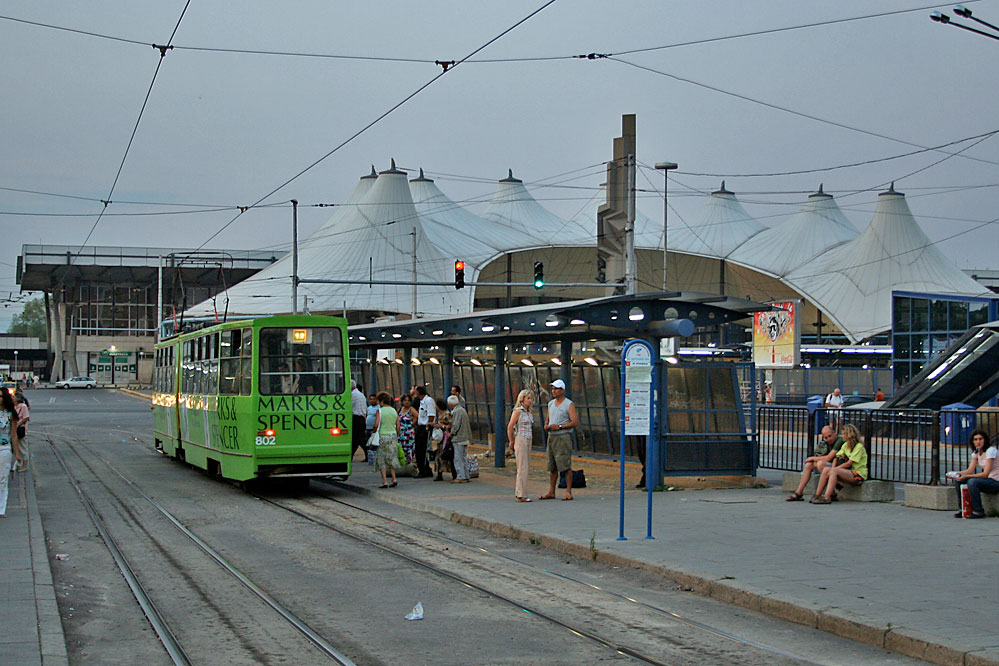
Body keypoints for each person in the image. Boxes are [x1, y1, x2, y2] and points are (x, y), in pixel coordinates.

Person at [539, 379, 579, 501]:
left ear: (562, 390)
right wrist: (546, 426)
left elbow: (574, 422)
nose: (553, 391)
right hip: (552, 436)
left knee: (565, 464)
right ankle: (551, 491)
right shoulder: (551, 404)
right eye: (552, 388)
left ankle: (568, 491)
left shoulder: (569, 404)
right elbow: (547, 419)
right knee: (552, 466)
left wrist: (560, 426)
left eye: (556, 388)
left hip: (563, 436)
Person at [810, 423, 868, 504]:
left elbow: (849, 463)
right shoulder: (845, 445)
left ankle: (827, 497)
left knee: (833, 471)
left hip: (858, 474)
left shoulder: (859, 447)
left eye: (843, 434)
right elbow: (836, 457)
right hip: (848, 472)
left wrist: (834, 469)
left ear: (849, 434)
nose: (842, 436)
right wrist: (832, 468)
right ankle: (817, 495)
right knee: (826, 469)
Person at [786, 426, 844, 501]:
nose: (828, 439)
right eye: (826, 438)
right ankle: (799, 492)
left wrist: (812, 458)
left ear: (835, 433)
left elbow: (829, 458)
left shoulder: (839, 440)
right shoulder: (825, 443)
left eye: (830, 436)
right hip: (829, 465)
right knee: (808, 465)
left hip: (839, 466)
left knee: (820, 464)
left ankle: (832, 492)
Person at [951, 429, 999, 519]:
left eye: (980, 439)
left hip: (996, 481)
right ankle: (962, 509)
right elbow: (970, 470)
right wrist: (957, 474)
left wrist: (967, 476)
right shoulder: (976, 452)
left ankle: (978, 511)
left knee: (972, 482)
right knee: (958, 480)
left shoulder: (990, 451)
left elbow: (985, 474)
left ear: (985, 440)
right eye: (975, 439)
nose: (978, 442)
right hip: (988, 480)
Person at [507, 389, 535, 502]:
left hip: (528, 439)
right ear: (522, 399)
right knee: (522, 466)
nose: (530, 401)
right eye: (528, 398)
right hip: (521, 438)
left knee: (526, 466)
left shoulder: (528, 413)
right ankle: (520, 494)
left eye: (531, 398)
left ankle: (523, 492)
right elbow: (510, 426)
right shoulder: (518, 411)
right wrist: (511, 440)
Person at [0, 388, 22, 517]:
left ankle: (1, 508)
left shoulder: (10, 414)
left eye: (1, 396)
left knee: (3, 478)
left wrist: (17, 453)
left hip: (4, 448)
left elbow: (13, 435)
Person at [372, 392, 400, 488]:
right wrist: (396, 434)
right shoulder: (394, 411)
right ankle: (394, 478)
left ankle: (384, 481)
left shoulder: (379, 411)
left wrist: (373, 431)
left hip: (383, 436)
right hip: (393, 435)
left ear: (382, 401)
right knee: (392, 457)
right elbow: (398, 426)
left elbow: (376, 424)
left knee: (382, 459)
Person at [448, 395, 471, 483]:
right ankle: (466, 475)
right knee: (464, 457)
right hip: (465, 437)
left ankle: (461, 476)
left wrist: (451, 433)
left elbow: (456, 425)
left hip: (459, 438)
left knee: (458, 458)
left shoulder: (457, 412)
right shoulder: (462, 410)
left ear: (451, 404)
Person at [414, 386, 436, 478]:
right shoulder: (421, 401)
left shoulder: (428, 401)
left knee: (422, 450)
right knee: (418, 449)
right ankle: (425, 468)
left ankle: (423, 470)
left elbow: (431, 414)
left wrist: (428, 425)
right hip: (420, 426)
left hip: (425, 427)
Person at [433, 397, 455, 481]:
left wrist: (441, 426)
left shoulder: (447, 414)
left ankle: (453, 473)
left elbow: (451, 425)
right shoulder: (440, 415)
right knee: (439, 456)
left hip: (446, 439)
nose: (435, 407)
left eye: (436, 405)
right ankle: (439, 473)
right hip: (441, 439)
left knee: (447, 455)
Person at [397, 394, 418, 464]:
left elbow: (418, 416)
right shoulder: (400, 410)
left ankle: (409, 463)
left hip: (409, 434)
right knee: (401, 449)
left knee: (409, 449)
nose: (407, 402)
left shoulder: (411, 409)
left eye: (408, 401)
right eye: (405, 400)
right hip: (401, 433)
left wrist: (413, 422)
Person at [13, 391, 29, 472]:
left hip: (21, 429)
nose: (12, 398)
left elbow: (26, 417)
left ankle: (25, 465)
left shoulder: (23, 406)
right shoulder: (14, 406)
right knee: (17, 448)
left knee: (23, 447)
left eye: (14, 397)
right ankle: (18, 465)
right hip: (14, 430)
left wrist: (18, 424)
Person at [350, 380, 367, 461]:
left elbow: (349, 406)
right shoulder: (361, 395)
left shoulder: (352, 395)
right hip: (362, 418)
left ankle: (351, 455)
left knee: (355, 438)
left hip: (355, 418)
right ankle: (367, 454)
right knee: (360, 438)